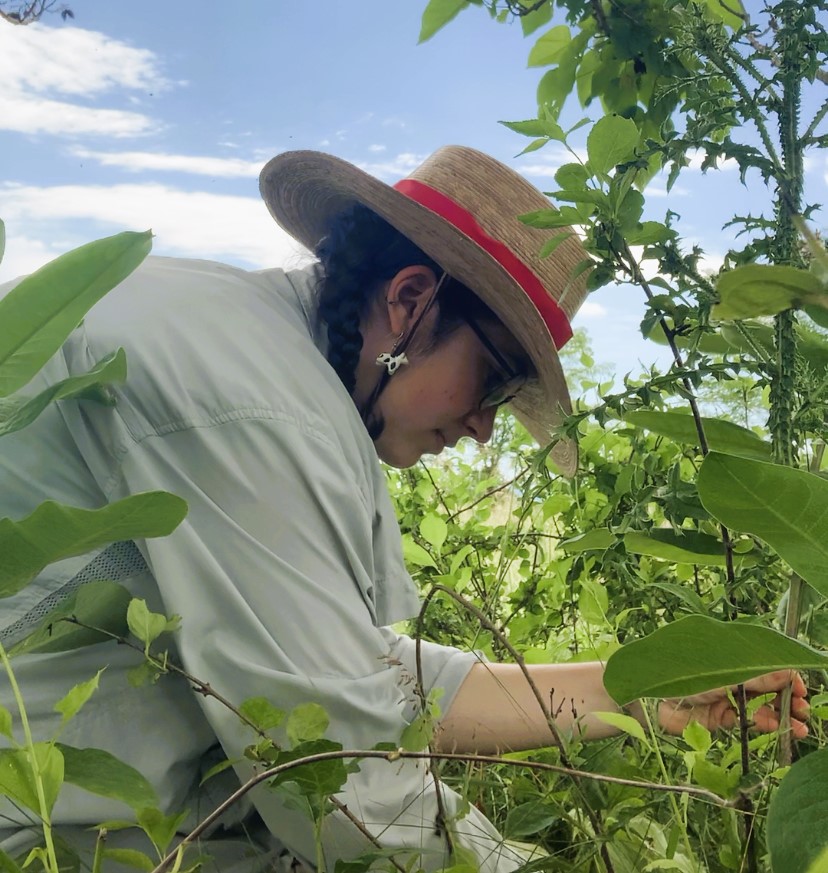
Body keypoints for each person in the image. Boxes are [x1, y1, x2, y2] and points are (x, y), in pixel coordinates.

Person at [0, 146, 809, 873]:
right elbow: (341, 776)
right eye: (491, 379)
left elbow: (350, 676)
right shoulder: (253, 403)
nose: (483, 426)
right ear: (410, 298)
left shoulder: (260, 355)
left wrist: (645, 693)